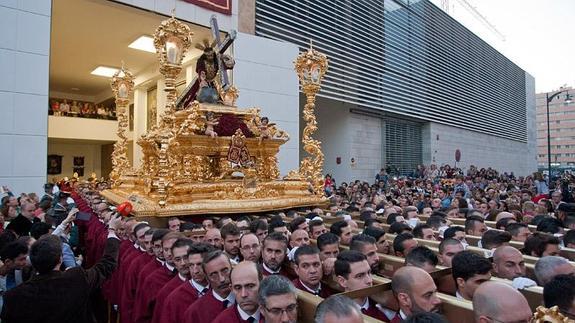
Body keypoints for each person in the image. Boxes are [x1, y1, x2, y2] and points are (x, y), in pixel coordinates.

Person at [1, 214, 121, 323]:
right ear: (60, 259)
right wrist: (111, 231)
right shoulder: (75, 279)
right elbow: (107, 264)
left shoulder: (13, 296)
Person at [133, 231, 182, 323]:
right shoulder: (152, 279)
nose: (169, 254)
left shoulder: (192, 276)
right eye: (166, 249)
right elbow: (142, 313)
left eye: (172, 249)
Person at [160, 243, 213, 323]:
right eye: (191, 265)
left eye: (199, 264)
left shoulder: (220, 291)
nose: (195, 271)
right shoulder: (175, 299)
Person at [334, 250, 387, 321]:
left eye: (369, 273)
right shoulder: (335, 316)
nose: (369, 280)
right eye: (360, 276)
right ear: (342, 281)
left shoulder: (383, 308)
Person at [184, 250, 235, 323]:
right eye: (214, 274)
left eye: (225, 271)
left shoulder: (251, 300)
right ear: (207, 278)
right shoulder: (195, 312)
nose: (222, 279)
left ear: (232, 269)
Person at [151, 238, 194, 323]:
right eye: (178, 259)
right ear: (173, 261)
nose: (183, 263)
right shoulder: (166, 292)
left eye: (186, 258)